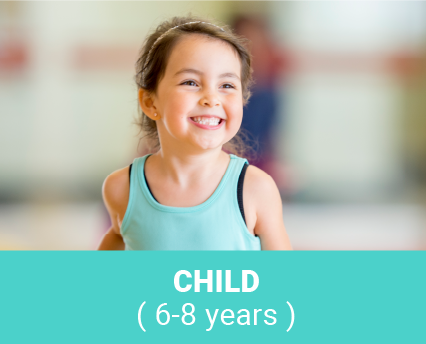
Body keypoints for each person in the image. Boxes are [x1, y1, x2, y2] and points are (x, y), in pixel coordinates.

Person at [98, 16, 292, 250]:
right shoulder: (122, 189)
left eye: (227, 85)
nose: (211, 98)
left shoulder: (256, 190)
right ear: (150, 102)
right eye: (190, 82)